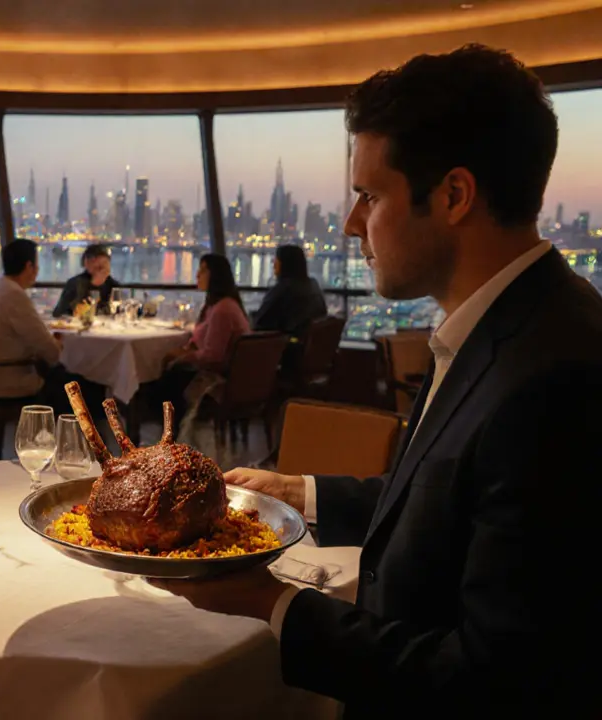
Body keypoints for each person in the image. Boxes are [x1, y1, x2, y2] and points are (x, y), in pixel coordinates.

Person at [149, 45, 601, 718]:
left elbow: (494, 681)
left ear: (453, 195)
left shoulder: (557, 374)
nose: (353, 223)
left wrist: (268, 601)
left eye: (369, 194)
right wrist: (298, 491)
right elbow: (455, 502)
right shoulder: (503, 325)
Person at [0, 239, 101, 416]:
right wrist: (56, 344)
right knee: (89, 385)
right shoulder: (14, 296)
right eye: (36, 265)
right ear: (29, 266)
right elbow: (52, 353)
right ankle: (80, 439)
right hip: (10, 379)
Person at [157, 254, 250, 418]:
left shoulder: (222, 310)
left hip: (219, 379)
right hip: (234, 376)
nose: (197, 274)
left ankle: (167, 428)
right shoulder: (221, 305)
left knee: (166, 376)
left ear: (216, 275)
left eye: (203, 270)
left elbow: (213, 356)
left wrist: (184, 356)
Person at [251, 244, 327, 336]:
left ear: (284, 264)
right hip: (306, 345)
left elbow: (260, 324)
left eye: (276, 261)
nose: (273, 264)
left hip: (282, 346)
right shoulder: (313, 286)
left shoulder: (283, 290)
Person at [51, 244, 118, 317]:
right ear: (86, 263)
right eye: (99, 267)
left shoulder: (113, 285)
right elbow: (59, 313)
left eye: (104, 265)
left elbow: (120, 312)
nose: (101, 271)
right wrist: (93, 285)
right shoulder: (74, 283)